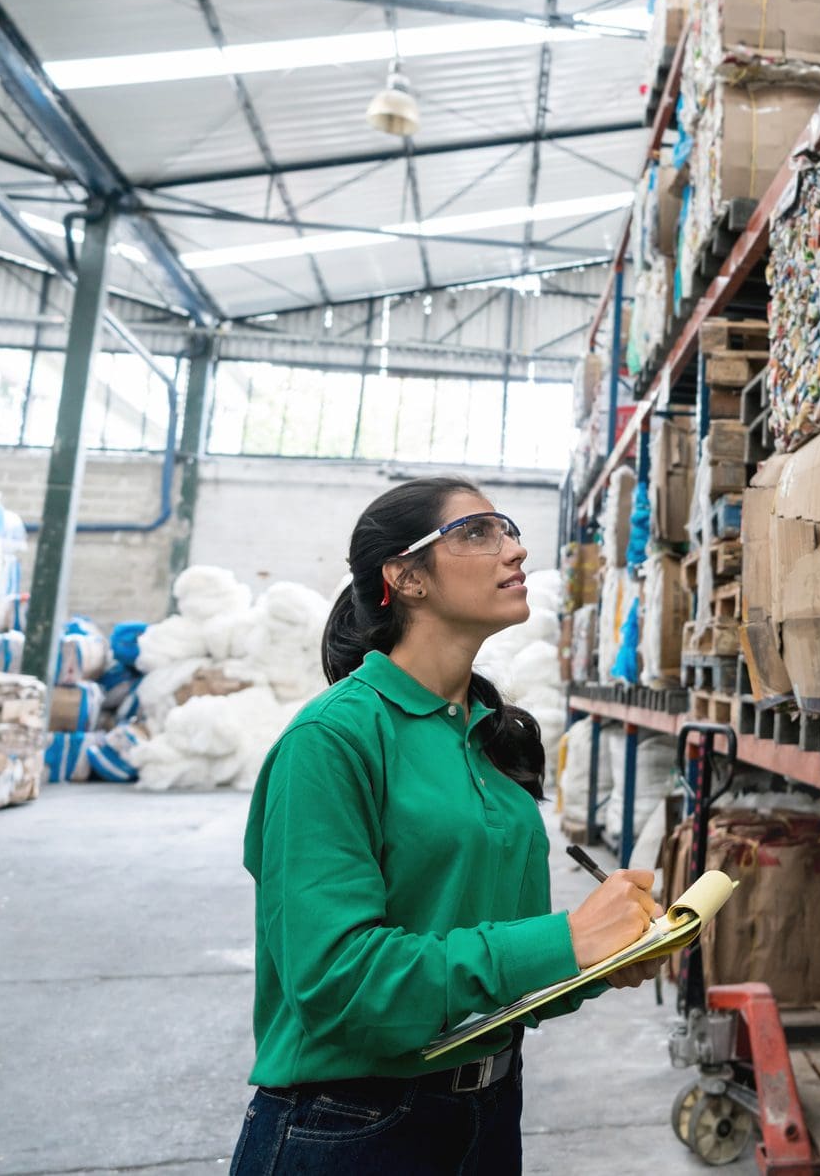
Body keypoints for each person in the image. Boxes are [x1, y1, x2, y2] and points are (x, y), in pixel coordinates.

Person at [230, 477, 660, 1175]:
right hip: (353, 1125)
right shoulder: (333, 739)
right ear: (406, 577)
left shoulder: (488, 737)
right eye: (478, 532)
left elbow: (493, 968)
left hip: (487, 1112)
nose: (515, 548)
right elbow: (338, 983)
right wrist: (564, 938)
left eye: (511, 529)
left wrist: (596, 961)